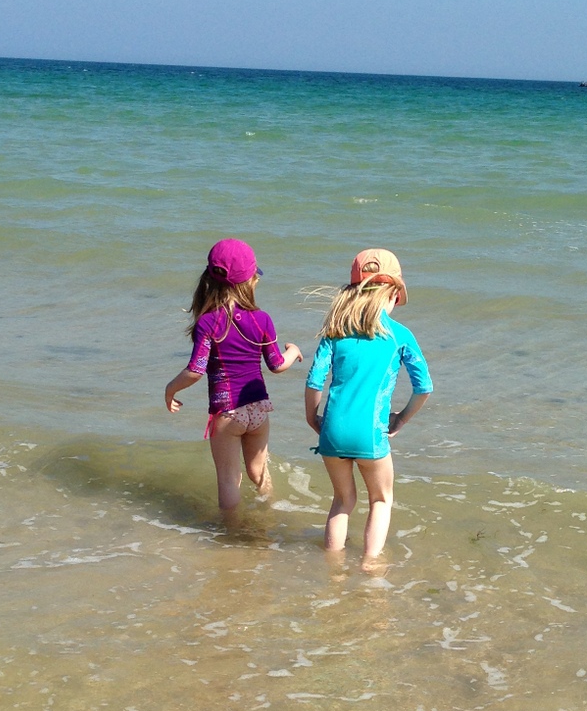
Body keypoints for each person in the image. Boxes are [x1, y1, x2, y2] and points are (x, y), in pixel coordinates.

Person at [304, 248, 432, 561]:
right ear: (393, 294)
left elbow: (314, 381)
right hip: (370, 433)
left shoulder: (335, 330)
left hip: (332, 431)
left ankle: (333, 565)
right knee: (380, 500)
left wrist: (312, 417)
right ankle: (370, 566)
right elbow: (424, 388)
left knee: (342, 501)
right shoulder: (400, 335)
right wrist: (401, 419)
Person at [165, 238, 302, 517]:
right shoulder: (262, 319)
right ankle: (270, 513)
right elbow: (277, 365)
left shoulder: (208, 322)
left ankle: (231, 532)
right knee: (258, 471)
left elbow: (196, 370)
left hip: (227, 413)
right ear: (251, 280)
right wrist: (294, 351)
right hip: (259, 409)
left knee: (229, 479)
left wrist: (170, 390)